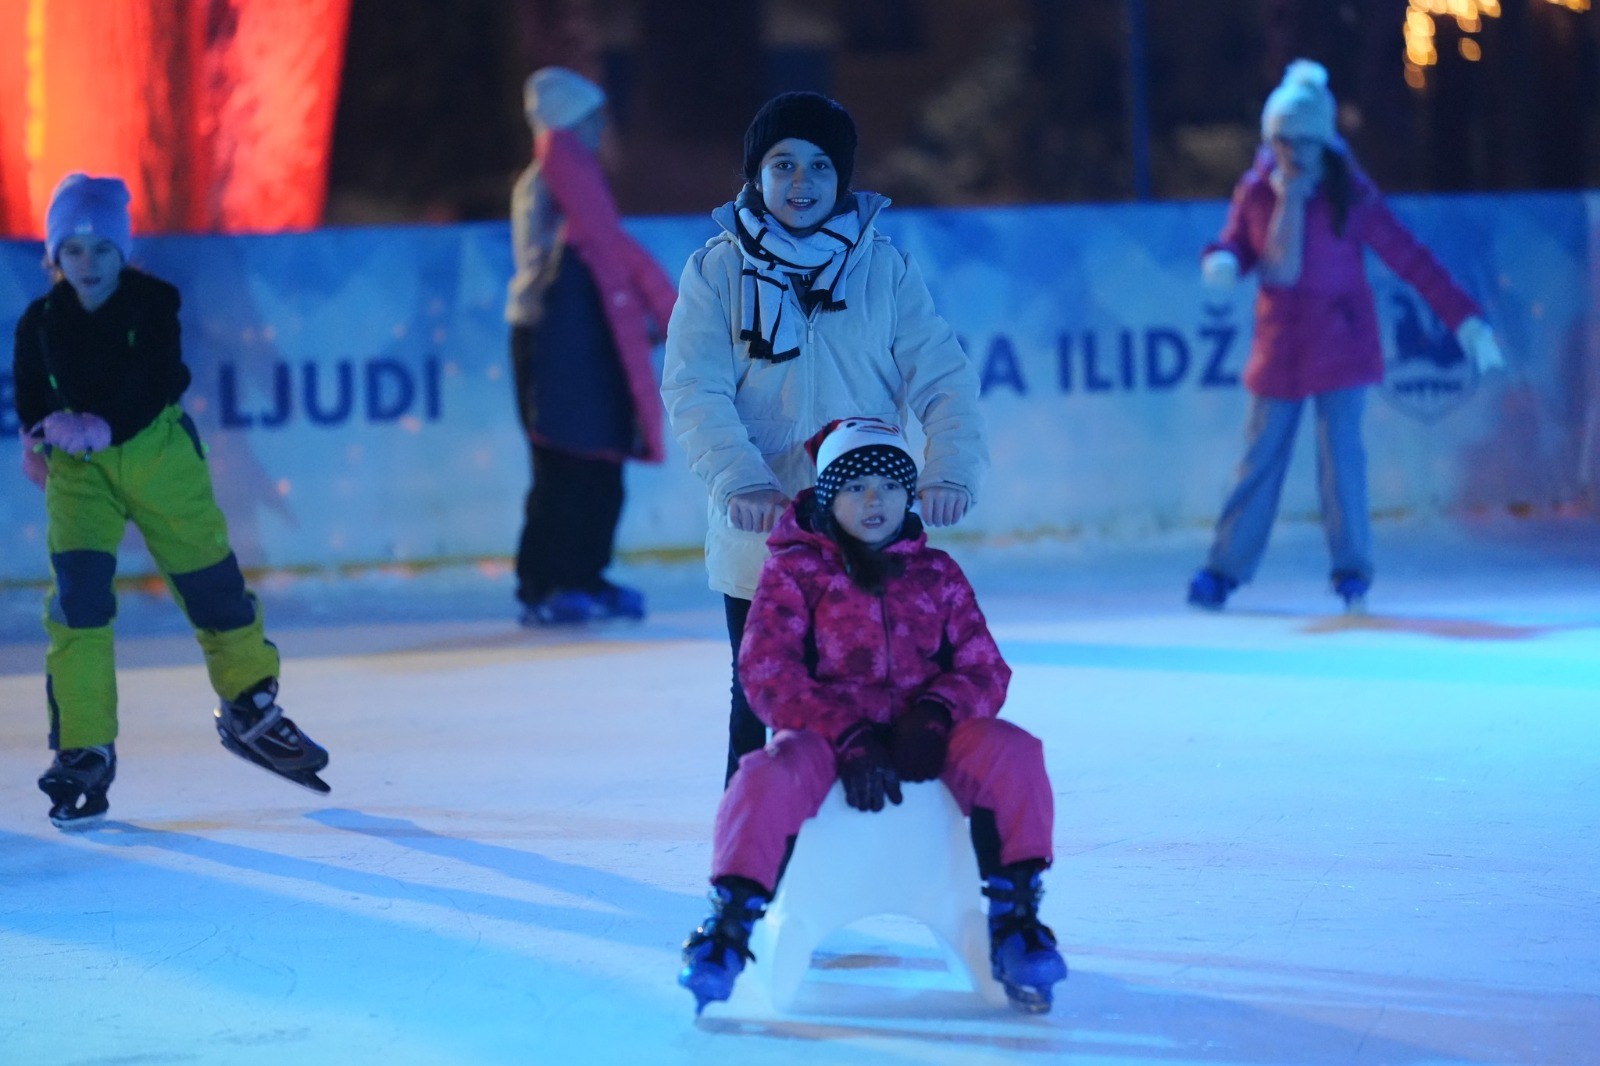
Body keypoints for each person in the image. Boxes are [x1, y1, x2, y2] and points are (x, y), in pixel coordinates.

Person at [675, 418, 1065, 1015]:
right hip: (828, 741)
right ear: (829, 498)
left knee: (1013, 751)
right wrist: (846, 732)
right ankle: (731, 921)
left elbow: (986, 668)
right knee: (764, 776)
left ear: (909, 495)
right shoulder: (794, 572)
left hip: (927, 738)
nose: (873, 499)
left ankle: (1015, 920)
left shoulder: (937, 574)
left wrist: (937, 714)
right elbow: (767, 673)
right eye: (856, 487)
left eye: (888, 484)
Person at [661, 91, 986, 784]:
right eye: (783, 164)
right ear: (757, 175)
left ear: (843, 178)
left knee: (875, 695)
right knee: (759, 698)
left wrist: (950, 468)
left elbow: (944, 378)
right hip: (764, 531)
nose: (801, 182)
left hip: (868, 522)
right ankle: (746, 870)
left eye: (818, 165)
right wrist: (739, 479)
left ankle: (864, 862)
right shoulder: (717, 272)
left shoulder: (885, 270)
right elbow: (696, 389)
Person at [12, 173, 329, 828]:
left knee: (211, 584)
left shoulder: (153, 302)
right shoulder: (39, 321)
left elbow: (158, 377)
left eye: (103, 249)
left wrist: (100, 425)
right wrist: (34, 440)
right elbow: (32, 392)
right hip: (79, 472)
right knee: (78, 605)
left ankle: (248, 706)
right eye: (74, 250)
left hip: (158, 455)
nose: (90, 264)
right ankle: (83, 747)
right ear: (54, 257)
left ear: (123, 252)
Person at [1187, 60, 1505, 614]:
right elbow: (1238, 243)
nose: (1292, 153)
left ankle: (1352, 572)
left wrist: (1466, 320)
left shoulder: (1349, 196)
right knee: (1258, 462)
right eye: (1283, 140)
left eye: (1304, 142)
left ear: (1323, 141)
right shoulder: (1258, 191)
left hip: (1341, 348)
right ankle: (1224, 569)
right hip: (1279, 348)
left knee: (1342, 467)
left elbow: (1411, 259)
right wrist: (1222, 261)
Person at [506, 67, 677, 625]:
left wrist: (629, 318)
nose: (603, 127)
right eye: (593, 117)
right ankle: (545, 582)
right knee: (562, 461)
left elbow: (609, 262)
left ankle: (585, 574)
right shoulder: (547, 187)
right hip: (550, 340)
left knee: (604, 461)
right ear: (569, 123)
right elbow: (554, 267)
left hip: (589, 337)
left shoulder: (586, 188)